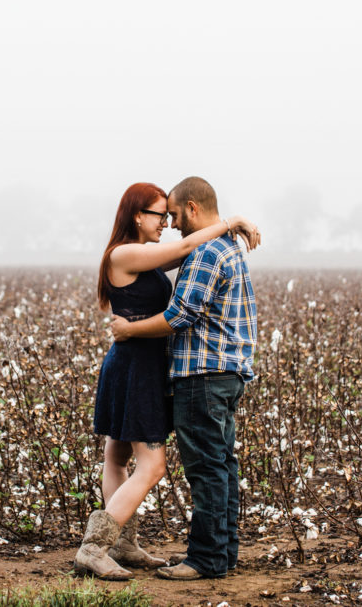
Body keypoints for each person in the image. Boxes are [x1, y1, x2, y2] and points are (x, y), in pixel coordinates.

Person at [74, 181, 260, 580]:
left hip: (142, 363)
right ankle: (95, 547)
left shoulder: (150, 255)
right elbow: (182, 249)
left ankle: (121, 544)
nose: (169, 224)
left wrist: (222, 227)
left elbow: (186, 248)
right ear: (138, 216)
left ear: (190, 208)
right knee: (150, 464)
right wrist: (232, 222)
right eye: (161, 215)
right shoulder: (126, 253)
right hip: (135, 364)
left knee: (117, 456)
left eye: (172, 214)